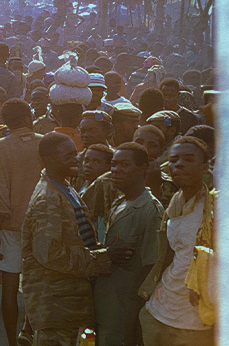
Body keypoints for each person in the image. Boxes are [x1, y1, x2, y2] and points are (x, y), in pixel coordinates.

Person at [22, 132, 111, 346]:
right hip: (56, 307)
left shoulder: (64, 187)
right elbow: (49, 253)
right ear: (49, 160)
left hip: (71, 303)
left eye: (75, 153)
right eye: (68, 156)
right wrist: (97, 260)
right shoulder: (47, 198)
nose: (77, 159)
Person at [138, 137, 216, 346]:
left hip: (194, 321)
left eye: (189, 159)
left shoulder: (217, 206)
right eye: (174, 159)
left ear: (205, 166)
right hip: (159, 312)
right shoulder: (175, 202)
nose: (179, 164)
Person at [93, 142, 164, 346]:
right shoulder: (120, 202)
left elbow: (152, 267)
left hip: (125, 309)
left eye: (124, 165)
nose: (115, 170)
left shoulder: (150, 210)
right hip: (106, 303)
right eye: (114, 164)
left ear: (143, 168)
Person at [0, 98, 43, 346]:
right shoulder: (45, 143)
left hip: (9, 225)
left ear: (3, 120)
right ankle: (29, 331)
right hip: (42, 224)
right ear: (29, 117)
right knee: (37, 285)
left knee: (10, 287)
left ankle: (11, 341)